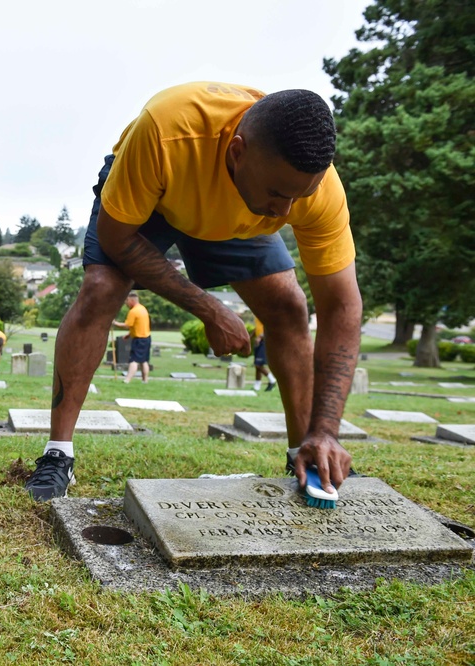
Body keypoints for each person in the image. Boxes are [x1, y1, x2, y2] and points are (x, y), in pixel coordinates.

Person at [25, 82, 361, 502]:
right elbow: (116, 238)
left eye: (300, 197)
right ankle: (58, 454)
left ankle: (307, 453)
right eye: (278, 193)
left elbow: (342, 306)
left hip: (238, 213)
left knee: (289, 305)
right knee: (100, 287)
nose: (285, 214)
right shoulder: (166, 131)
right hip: (159, 195)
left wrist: (327, 429)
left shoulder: (313, 189)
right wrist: (209, 308)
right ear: (238, 152)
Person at [112, 292, 151, 383]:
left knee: (134, 360)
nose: (126, 303)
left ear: (132, 300)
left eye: (127, 301)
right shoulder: (143, 309)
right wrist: (129, 334)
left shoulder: (133, 311)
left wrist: (114, 323)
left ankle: (127, 380)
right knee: (144, 360)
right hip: (146, 338)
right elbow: (138, 325)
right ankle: (145, 381)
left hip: (139, 339)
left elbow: (127, 325)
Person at [252, 316, 277, 391]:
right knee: (257, 365)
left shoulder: (264, 313)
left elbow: (270, 326)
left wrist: (260, 337)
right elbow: (258, 328)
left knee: (258, 364)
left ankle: (272, 380)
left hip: (264, 341)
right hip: (258, 342)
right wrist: (250, 336)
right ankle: (257, 386)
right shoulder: (257, 315)